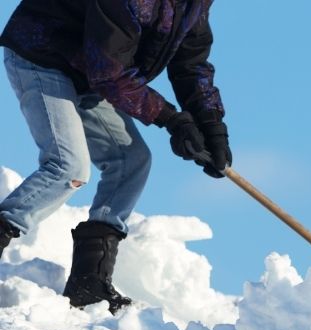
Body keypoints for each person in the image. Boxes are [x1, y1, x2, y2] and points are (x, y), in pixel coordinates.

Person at [0, 0, 231, 312]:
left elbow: (191, 64)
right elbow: (108, 72)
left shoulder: (194, 4)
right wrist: (172, 120)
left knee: (132, 162)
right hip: (43, 56)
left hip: (89, 73)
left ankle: (89, 281)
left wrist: (212, 128)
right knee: (68, 166)